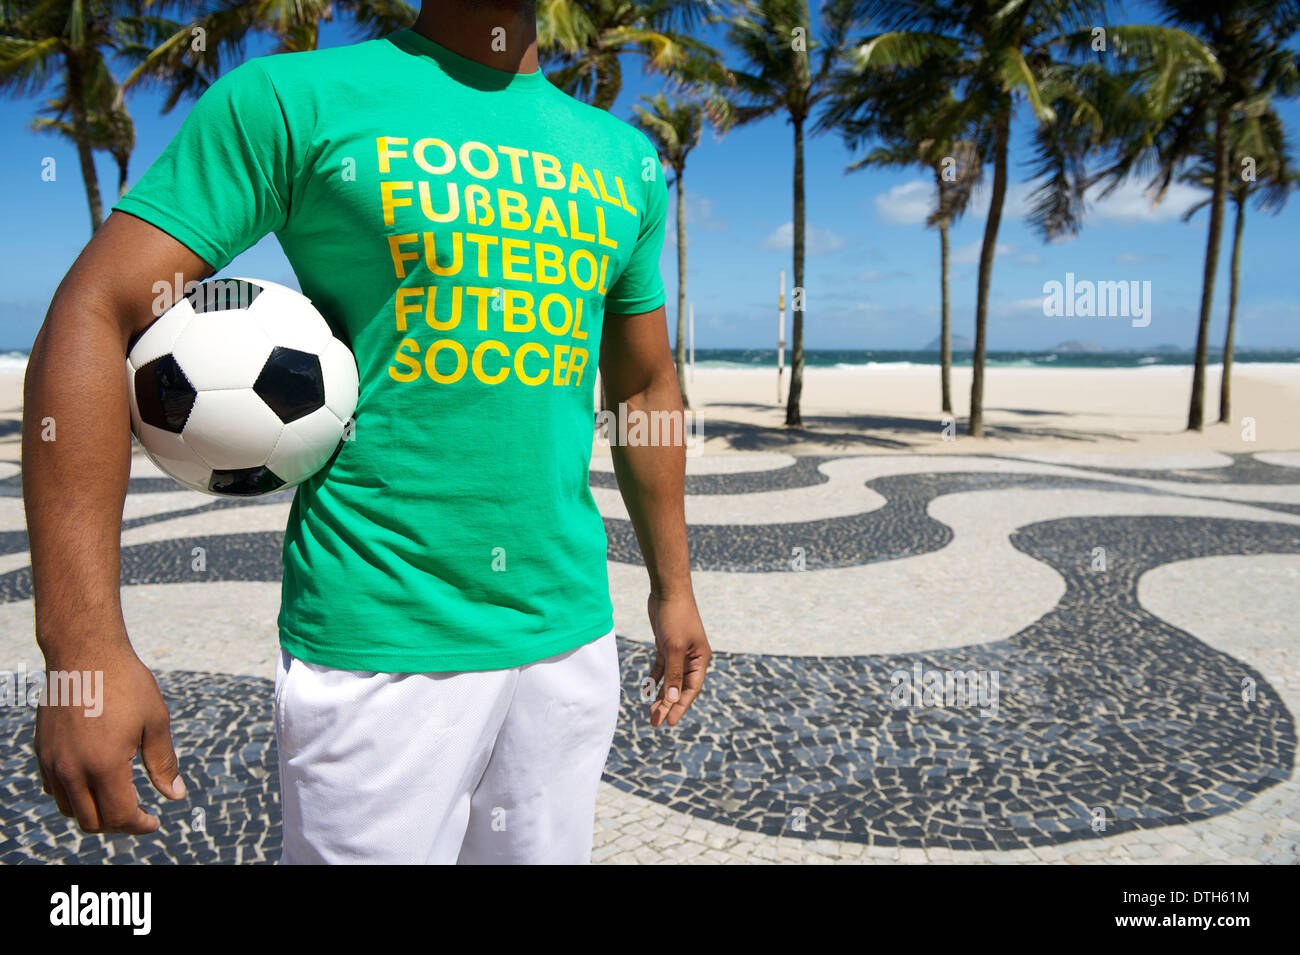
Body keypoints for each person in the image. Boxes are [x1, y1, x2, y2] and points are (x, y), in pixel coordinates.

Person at [23, 0, 711, 864]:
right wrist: (81, 646)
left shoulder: (623, 157)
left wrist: (672, 587)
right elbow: (93, 308)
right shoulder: (291, 99)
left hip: (570, 640)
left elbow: (645, 385)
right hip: (378, 648)